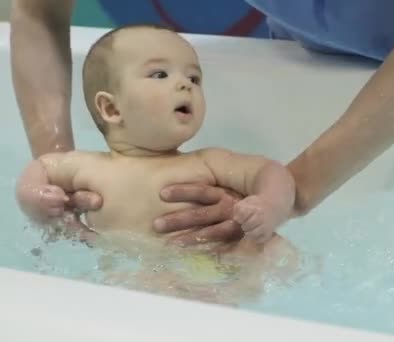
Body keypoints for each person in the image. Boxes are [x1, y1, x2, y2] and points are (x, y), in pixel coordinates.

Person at [10, 0, 394, 245]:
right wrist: (57, 178)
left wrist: (294, 193)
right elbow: (37, 13)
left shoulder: (216, 164)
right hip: (308, 51)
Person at [15, 24, 299, 303]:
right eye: (160, 74)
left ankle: (239, 292)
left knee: (275, 248)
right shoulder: (88, 166)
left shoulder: (206, 162)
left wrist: (268, 206)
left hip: (208, 264)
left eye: (195, 78)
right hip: (133, 275)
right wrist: (35, 197)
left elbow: (271, 171)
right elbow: (42, 167)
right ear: (112, 108)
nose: (185, 84)